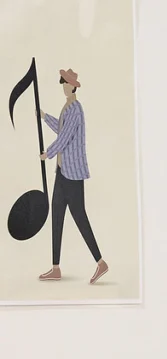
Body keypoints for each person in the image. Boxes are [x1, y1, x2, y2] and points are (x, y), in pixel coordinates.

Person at [38, 68, 107, 284]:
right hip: (62, 172)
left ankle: (100, 262)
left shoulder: (76, 109)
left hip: (73, 175)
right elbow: (61, 128)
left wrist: (47, 153)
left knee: (80, 218)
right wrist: (43, 116)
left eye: (66, 84)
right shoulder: (67, 107)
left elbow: (65, 137)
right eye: (63, 84)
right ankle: (56, 267)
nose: (64, 87)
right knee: (57, 215)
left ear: (74, 87)